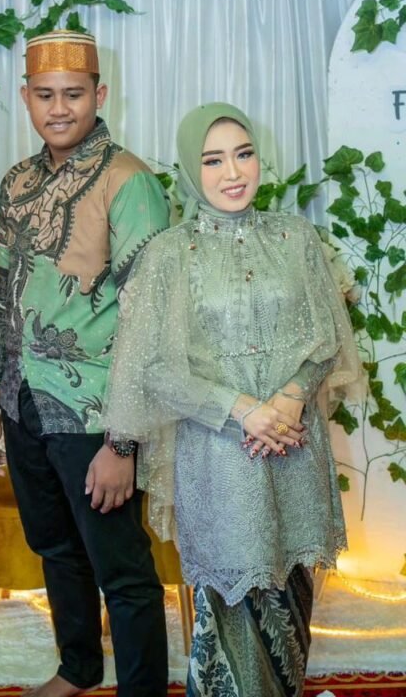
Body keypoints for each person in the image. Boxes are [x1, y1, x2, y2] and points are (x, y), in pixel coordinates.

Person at [102, 102, 363, 697]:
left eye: (243, 155)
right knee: (231, 608)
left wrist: (291, 399)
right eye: (213, 160)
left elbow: (326, 336)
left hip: (293, 447)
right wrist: (245, 410)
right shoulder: (168, 255)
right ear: (190, 170)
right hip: (220, 458)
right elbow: (154, 370)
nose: (234, 172)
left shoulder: (296, 238)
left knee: (292, 606)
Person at [0, 29, 169, 697]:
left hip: (95, 413)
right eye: (46, 94)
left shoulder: (129, 181)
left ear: (99, 95)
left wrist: (123, 442)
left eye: (74, 94)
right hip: (24, 401)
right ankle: (79, 669)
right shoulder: (18, 181)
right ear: (26, 97)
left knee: (124, 572)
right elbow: (2, 296)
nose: (59, 108)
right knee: (56, 549)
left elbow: (150, 322)